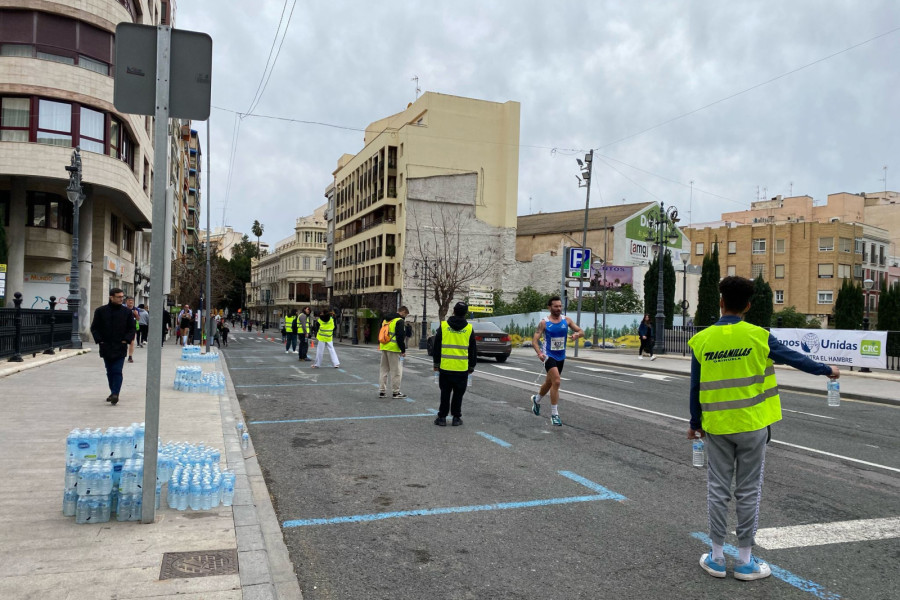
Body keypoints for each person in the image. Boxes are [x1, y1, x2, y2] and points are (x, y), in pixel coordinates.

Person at [688, 276, 839, 581]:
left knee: (718, 490)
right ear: (747, 305)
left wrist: (695, 424)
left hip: (716, 426)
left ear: (720, 302)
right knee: (748, 491)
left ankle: (716, 558)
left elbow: (695, 388)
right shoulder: (759, 336)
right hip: (753, 426)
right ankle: (745, 562)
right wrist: (827, 370)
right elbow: (795, 359)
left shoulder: (701, 340)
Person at [530, 295, 584, 426]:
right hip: (549, 356)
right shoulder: (544, 322)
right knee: (557, 381)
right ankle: (555, 415)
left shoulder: (567, 320)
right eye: (556, 306)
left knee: (549, 383)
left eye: (560, 306)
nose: (558, 308)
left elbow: (581, 331)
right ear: (549, 307)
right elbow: (534, 340)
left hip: (561, 356)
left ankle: (536, 400)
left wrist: (577, 334)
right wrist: (539, 353)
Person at [431, 302, 477, 426]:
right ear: (465, 313)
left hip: (445, 367)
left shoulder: (444, 326)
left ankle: (442, 418)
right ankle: (456, 418)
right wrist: (472, 366)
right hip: (462, 368)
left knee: (445, 393)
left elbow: (437, 346)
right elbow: (473, 349)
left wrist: (436, 363)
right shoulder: (469, 328)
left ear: (453, 311)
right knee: (458, 394)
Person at [89, 288, 135, 406]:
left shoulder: (127, 312)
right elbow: (94, 327)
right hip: (106, 346)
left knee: (117, 370)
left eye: (122, 297)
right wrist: (100, 340)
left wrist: (126, 340)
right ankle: (112, 392)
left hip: (120, 346)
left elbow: (131, 328)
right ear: (111, 297)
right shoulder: (101, 311)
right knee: (109, 371)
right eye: (119, 297)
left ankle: (115, 394)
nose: (121, 299)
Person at [378, 306, 409, 399]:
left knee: (383, 370)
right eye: (405, 314)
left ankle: (382, 391)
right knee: (396, 371)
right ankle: (396, 392)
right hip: (394, 348)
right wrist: (403, 350)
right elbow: (400, 337)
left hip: (384, 346)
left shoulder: (385, 320)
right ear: (402, 312)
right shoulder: (399, 321)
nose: (405, 316)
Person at [125, 297, 139, 363]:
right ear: (126, 301)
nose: (130, 302)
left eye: (132, 301)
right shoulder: (123, 308)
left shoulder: (136, 309)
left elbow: (138, 319)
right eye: (129, 300)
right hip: (123, 327)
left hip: (132, 328)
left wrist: (136, 315)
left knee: (132, 342)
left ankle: (130, 356)